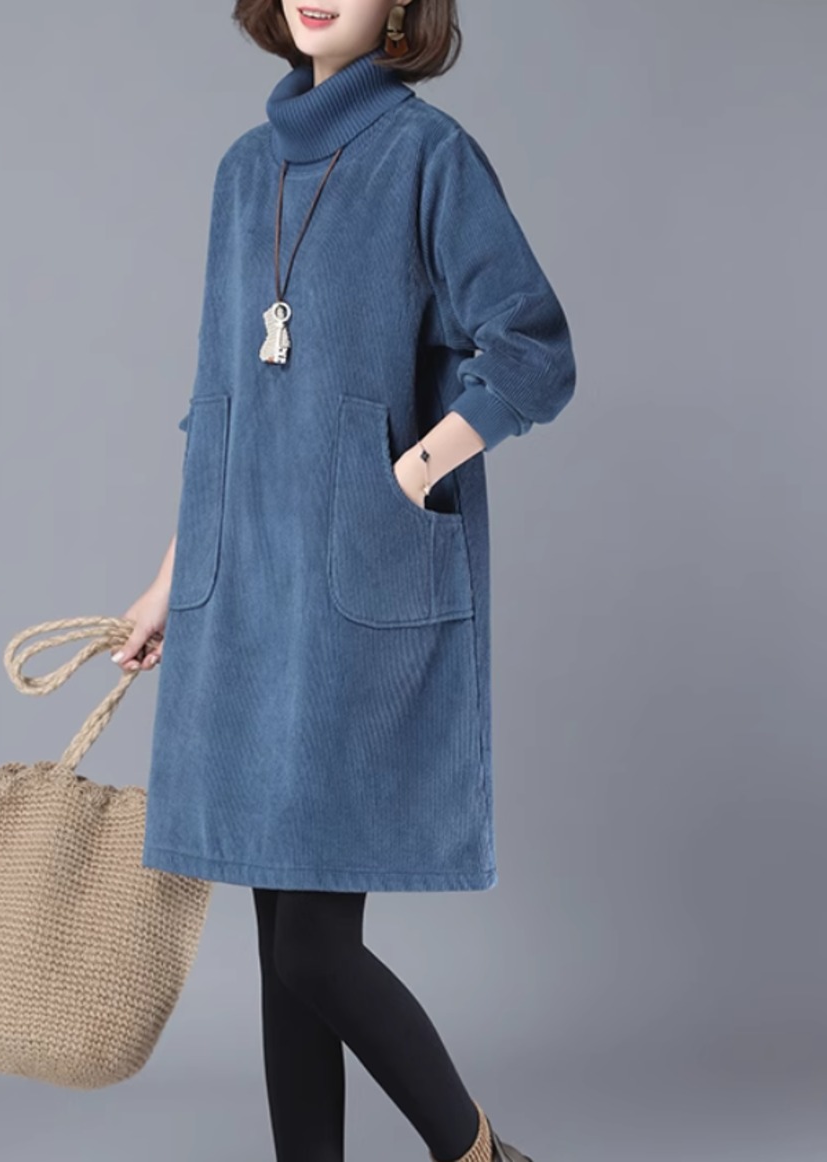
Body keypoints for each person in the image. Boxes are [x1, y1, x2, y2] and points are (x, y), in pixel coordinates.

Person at [113, 3, 575, 1160]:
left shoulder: (426, 155)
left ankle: (478, 1152)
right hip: (243, 593)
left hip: (351, 599)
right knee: (280, 944)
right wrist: (168, 580)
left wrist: (404, 475)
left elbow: (531, 349)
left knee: (311, 949)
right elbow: (219, 403)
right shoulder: (241, 171)